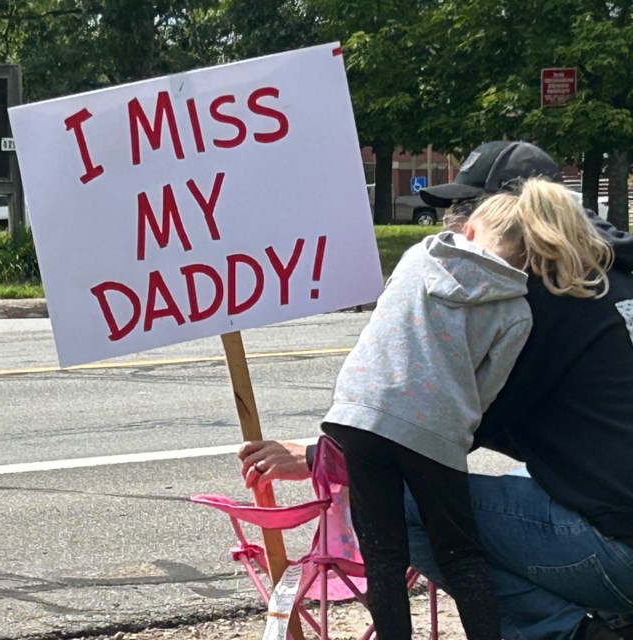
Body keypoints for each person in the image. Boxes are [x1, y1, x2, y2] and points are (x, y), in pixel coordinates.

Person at [240, 141, 633, 640]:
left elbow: (436, 428)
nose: (451, 224)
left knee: (411, 500)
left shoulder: (527, 299)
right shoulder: (601, 277)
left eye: (459, 209)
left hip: (618, 555)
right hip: (619, 519)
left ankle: (566, 631)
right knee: (524, 475)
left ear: (499, 217)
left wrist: (328, 456)